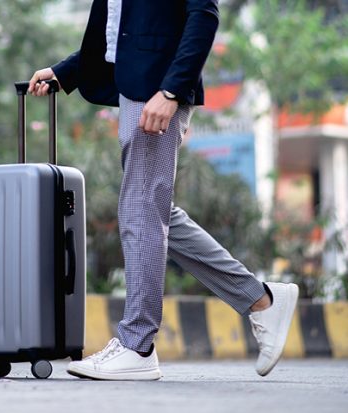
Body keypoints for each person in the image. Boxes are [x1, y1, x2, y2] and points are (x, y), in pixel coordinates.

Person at [28, 0, 299, 380]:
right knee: (152, 210)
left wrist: (172, 91)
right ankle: (261, 300)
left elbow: (203, 15)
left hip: (156, 90)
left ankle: (137, 344)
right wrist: (65, 72)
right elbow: (122, 30)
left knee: (141, 210)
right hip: (135, 88)